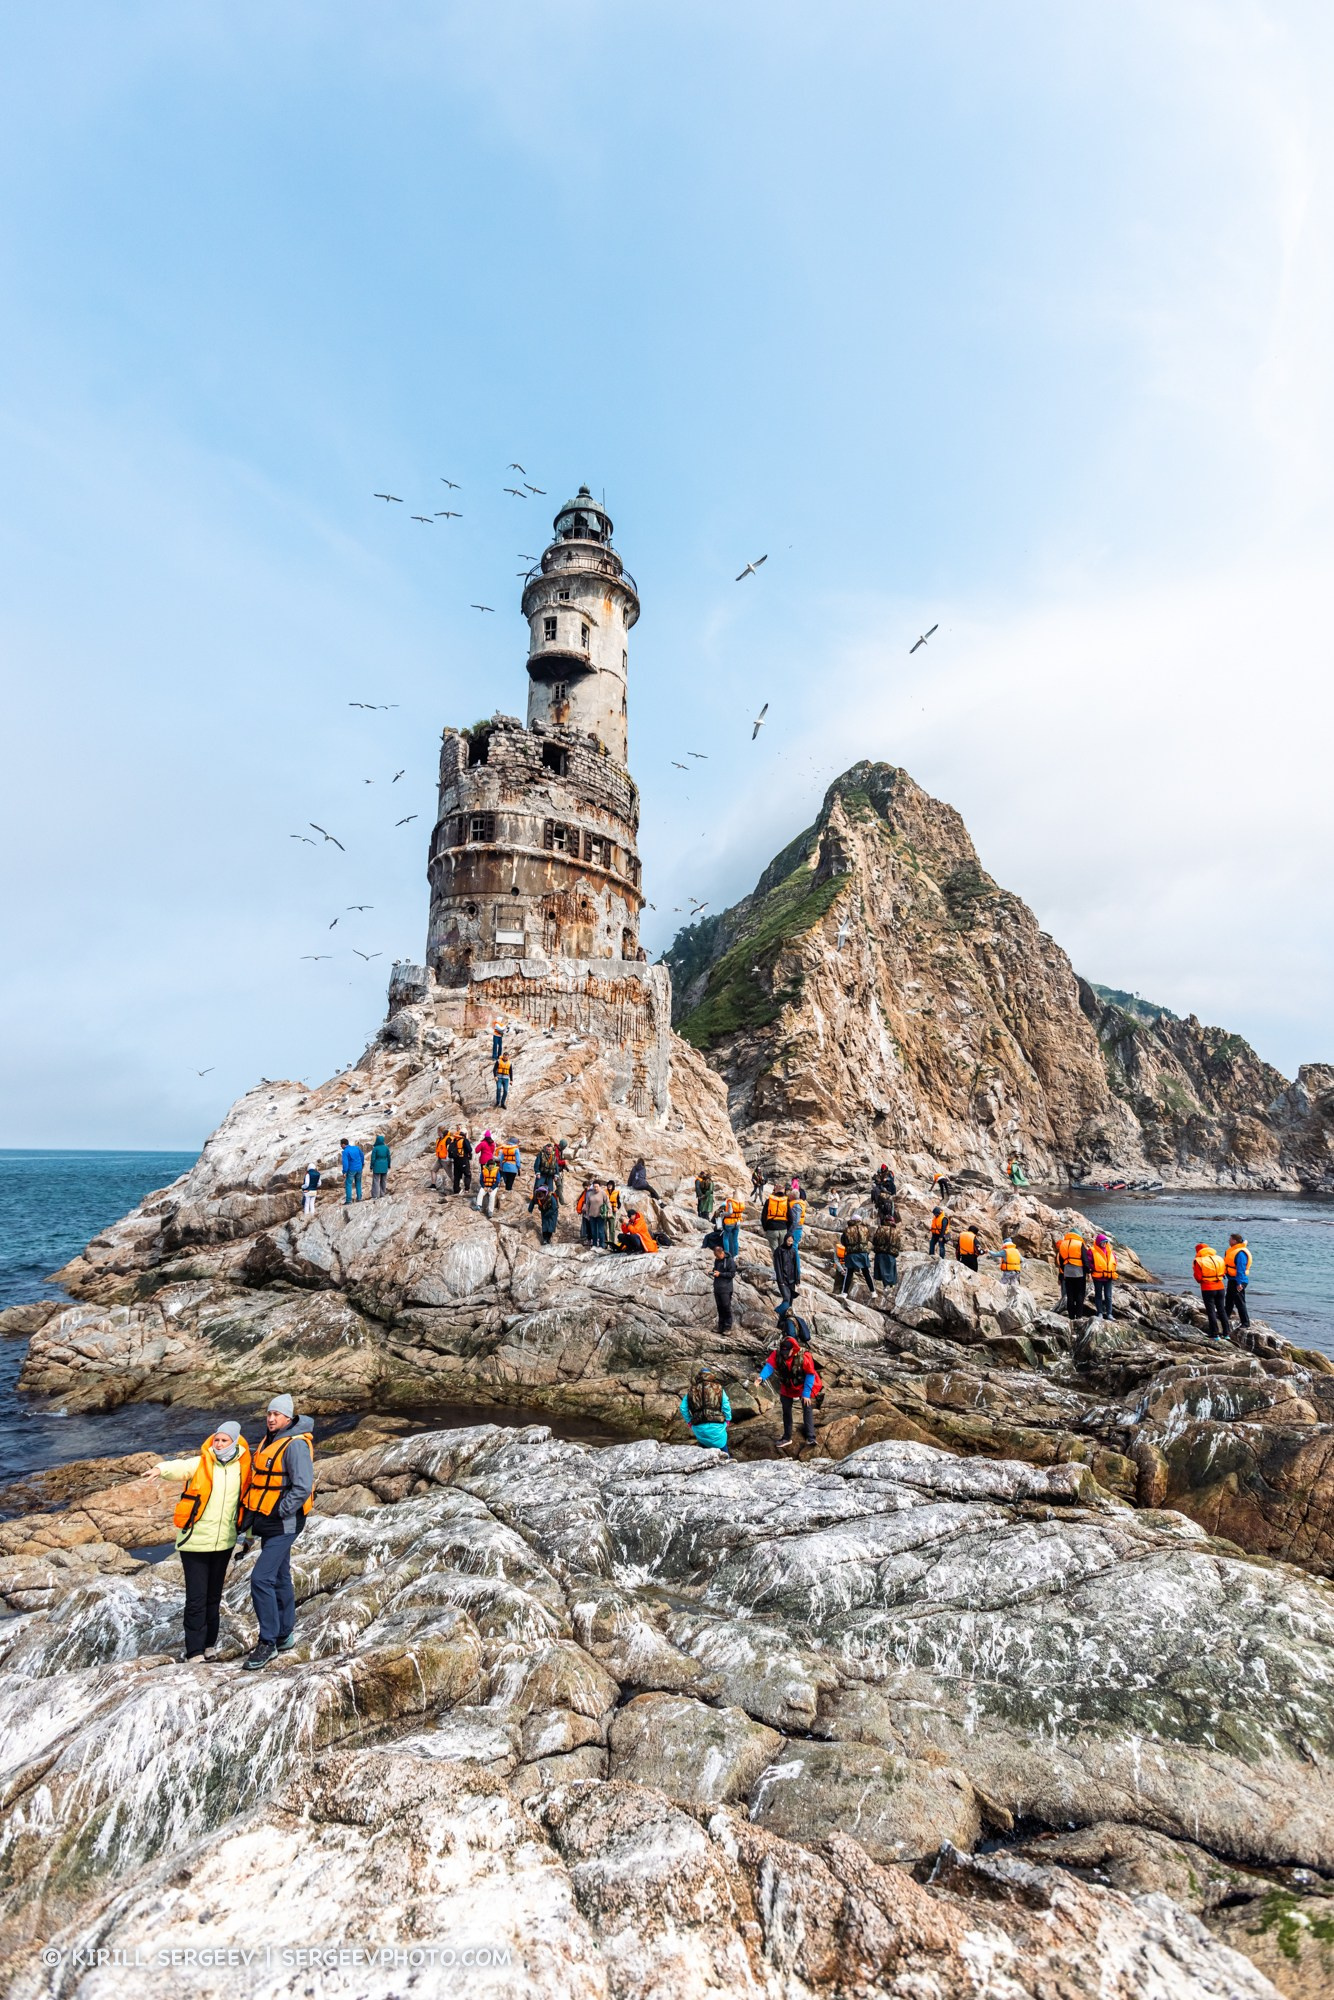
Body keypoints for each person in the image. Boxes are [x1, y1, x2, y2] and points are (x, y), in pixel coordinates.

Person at [155, 1420, 251, 1661]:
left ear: (234, 1442)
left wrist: (249, 1537)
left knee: (213, 1598)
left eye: (224, 1440)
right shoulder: (201, 1462)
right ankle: (195, 1651)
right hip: (195, 1543)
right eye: (216, 1439)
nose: (218, 1444)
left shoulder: (243, 1468)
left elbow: (248, 1502)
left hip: (224, 1543)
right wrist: (160, 1469)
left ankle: (209, 1645)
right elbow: (180, 1468)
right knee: (196, 1598)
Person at [239, 1395, 314, 1672]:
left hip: (285, 1522)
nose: (271, 1419)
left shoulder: (295, 1445)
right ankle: (284, 1634)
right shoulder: (269, 1440)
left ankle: (267, 1641)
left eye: (276, 1415)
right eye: (269, 1414)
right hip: (267, 1521)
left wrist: (282, 1510)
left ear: (288, 1418)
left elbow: (302, 1486)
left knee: (261, 1578)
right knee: (281, 1576)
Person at [757, 1315, 822, 1450]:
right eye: (783, 1353)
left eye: (787, 1353)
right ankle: (787, 1437)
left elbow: (810, 1374)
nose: (785, 1355)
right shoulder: (778, 1354)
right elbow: (769, 1366)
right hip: (787, 1387)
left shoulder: (804, 1356)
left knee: (807, 1406)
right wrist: (761, 1377)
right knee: (786, 1410)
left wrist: (806, 1394)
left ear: (793, 1349)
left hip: (803, 1385)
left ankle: (811, 1437)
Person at [681, 1366, 731, 1452]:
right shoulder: (718, 1388)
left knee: (704, 1451)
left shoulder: (691, 1390)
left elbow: (683, 1408)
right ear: (711, 1376)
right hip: (717, 1426)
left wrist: (689, 1422)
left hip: (699, 1426)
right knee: (723, 1451)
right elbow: (726, 1406)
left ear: (698, 1377)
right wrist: (728, 1420)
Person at [1193, 1242, 1229, 1339]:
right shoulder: (1219, 1258)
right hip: (1220, 1287)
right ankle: (1226, 1333)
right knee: (1222, 1310)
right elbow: (1224, 1271)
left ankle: (1215, 1334)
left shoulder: (1199, 1261)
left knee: (1211, 1311)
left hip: (1208, 1288)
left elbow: (1198, 1277)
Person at [840, 1216, 875, 1298]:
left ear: (852, 1220)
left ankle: (844, 1293)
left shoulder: (847, 1229)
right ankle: (873, 1292)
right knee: (866, 1273)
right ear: (860, 1220)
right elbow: (868, 1239)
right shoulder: (865, 1229)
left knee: (849, 1273)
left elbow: (843, 1241)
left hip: (851, 1253)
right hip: (863, 1253)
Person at [1224, 1235, 1252, 1338]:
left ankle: (1245, 1322)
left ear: (1235, 1241)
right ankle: (1226, 1315)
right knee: (1229, 1298)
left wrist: (1240, 1283)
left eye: (1230, 1239)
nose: (1228, 1240)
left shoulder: (1240, 1253)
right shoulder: (1233, 1251)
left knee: (1239, 1301)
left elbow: (1240, 1269)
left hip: (1239, 1280)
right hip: (1232, 1279)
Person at [1055, 1229, 1087, 1316]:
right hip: (1079, 1271)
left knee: (1070, 1295)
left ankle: (1071, 1315)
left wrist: (1064, 1270)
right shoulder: (1080, 1244)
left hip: (1067, 1271)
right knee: (1080, 1294)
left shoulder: (1063, 1244)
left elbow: (1061, 1261)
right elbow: (1085, 1259)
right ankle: (1079, 1315)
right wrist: (1087, 1271)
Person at [1088, 1233, 1117, 1319]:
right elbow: (1089, 1262)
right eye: (1102, 1242)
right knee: (1098, 1295)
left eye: (1105, 1242)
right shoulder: (1092, 1251)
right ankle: (1099, 1312)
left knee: (1108, 1296)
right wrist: (1095, 1268)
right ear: (1098, 1242)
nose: (1104, 1244)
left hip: (1108, 1277)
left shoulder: (1110, 1251)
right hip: (1098, 1277)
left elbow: (1114, 1261)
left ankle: (1109, 1314)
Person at [711, 1241, 736, 1333]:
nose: (717, 1258)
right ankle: (720, 1327)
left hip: (726, 1288)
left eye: (718, 1256)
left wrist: (720, 1274)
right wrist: (713, 1272)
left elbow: (732, 1274)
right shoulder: (717, 1260)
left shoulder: (730, 1261)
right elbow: (716, 1269)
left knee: (726, 1307)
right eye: (716, 1256)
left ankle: (727, 1327)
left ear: (722, 1253)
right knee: (719, 1308)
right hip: (717, 1287)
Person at [771, 1228, 799, 1312]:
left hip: (792, 1280)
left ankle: (784, 1317)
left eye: (791, 1241)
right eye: (788, 1241)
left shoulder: (793, 1251)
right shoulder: (779, 1251)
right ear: (785, 1239)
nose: (790, 1243)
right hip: (783, 1279)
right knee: (786, 1298)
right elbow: (777, 1266)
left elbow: (796, 1266)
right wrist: (780, 1280)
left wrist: (797, 1279)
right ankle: (777, 1311)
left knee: (790, 1300)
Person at [872, 1216, 901, 1287]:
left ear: (885, 1221)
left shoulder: (881, 1229)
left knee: (881, 1271)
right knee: (890, 1271)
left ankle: (882, 1286)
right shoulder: (896, 1231)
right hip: (892, 1254)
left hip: (881, 1252)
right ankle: (891, 1286)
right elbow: (898, 1243)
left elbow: (875, 1240)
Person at [761, 1185, 791, 1255]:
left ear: (775, 1191)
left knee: (775, 1251)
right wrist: (787, 1228)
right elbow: (791, 1218)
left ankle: (776, 1262)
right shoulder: (786, 1202)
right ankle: (782, 1262)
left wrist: (765, 1228)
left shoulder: (769, 1201)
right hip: (783, 1228)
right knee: (783, 1251)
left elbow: (763, 1217)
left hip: (771, 1228)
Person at [788, 1182, 806, 1276]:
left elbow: (795, 1220)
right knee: (792, 1249)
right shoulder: (797, 1203)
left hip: (795, 1229)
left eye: (790, 1195)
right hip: (797, 1228)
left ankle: (796, 1272)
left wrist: (790, 1232)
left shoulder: (796, 1205)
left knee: (793, 1249)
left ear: (792, 1196)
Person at [475, 1153, 501, 1217]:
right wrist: (484, 1187)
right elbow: (481, 1180)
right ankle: (478, 1206)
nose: (491, 1167)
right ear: (488, 1165)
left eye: (492, 1165)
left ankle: (490, 1211)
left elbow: (497, 1181)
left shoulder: (497, 1171)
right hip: (485, 1186)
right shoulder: (484, 1171)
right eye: (490, 1165)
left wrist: (492, 1188)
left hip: (493, 1187)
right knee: (480, 1192)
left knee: (492, 1196)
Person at [450, 1128, 473, 1195]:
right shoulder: (464, 1140)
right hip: (463, 1159)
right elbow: (469, 1149)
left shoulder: (455, 1139)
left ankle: (456, 1190)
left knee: (457, 1176)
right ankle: (466, 1189)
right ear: (465, 1134)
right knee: (467, 1174)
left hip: (456, 1160)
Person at [340, 1137, 364, 1204]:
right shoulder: (356, 1148)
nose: (341, 1146)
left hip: (351, 1169)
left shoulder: (345, 1152)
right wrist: (362, 1164)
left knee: (348, 1184)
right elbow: (362, 1156)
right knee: (358, 1182)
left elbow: (345, 1163)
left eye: (341, 1145)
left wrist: (344, 1171)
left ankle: (348, 1200)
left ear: (344, 1144)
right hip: (359, 1168)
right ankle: (359, 1198)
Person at [369, 1133, 391, 1200]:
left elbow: (373, 1158)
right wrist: (388, 1165)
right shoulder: (386, 1148)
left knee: (376, 1180)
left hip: (377, 1166)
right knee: (383, 1180)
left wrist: (371, 1166)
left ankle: (375, 1195)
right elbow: (389, 1157)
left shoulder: (375, 1148)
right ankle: (382, 1194)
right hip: (384, 1165)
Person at [433, 1127, 451, 1192]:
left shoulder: (447, 1139)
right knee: (433, 1170)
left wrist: (448, 1159)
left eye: (438, 1131)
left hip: (445, 1160)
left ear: (441, 1132)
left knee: (450, 1175)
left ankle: (457, 1187)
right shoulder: (439, 1139)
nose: (437, 1133)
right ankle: (433, 1185)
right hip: (439, 1159)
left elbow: (449, 1149)